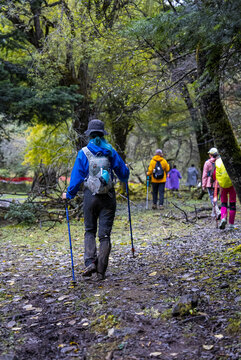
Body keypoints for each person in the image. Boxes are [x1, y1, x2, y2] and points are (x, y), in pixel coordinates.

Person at [62, 119, 129, 280]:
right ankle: (100, 272)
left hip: (90, 197)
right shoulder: (110, 151)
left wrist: (68, 194)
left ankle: (90, 262)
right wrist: (124, 168)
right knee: (104, 236)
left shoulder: (83, 153)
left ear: (90, 135)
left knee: (90, 230)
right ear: (103, 134)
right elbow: (124, 175)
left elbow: (76, 178)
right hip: (108, 198)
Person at [214, 157, 236, 230]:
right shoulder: (232, 158)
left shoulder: (218, 162)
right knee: (232, 204)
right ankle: (231, 225)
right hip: (232, 184)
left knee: (224, 203)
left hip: (222, 186)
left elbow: (215, 175)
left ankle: (223, 218)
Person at [202, 147, 221, 218]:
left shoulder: (207, 163)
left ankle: (218, 211)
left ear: (210, 155)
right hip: (218, 183)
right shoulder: (220, 162)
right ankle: (213, 214)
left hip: (209, 183)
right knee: (215, 197)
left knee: (212, 198)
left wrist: (203, 185)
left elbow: (204, 175)